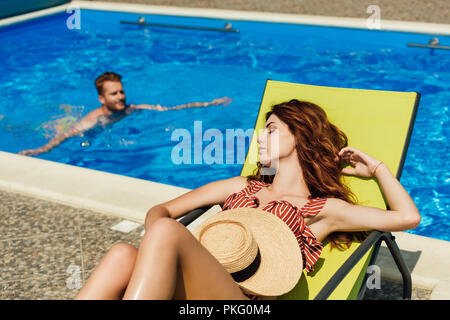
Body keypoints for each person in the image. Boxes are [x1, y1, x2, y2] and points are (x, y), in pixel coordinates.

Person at [74, 99, 421, 300]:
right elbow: (160, 211)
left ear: (300, 136)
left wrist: (377, 169)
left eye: (271, 129)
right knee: (124, 252)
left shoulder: (324, 211)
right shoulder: (244, 186)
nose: (261, 136)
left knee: (167, 232)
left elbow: (407, 218)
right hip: (195, 290)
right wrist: (157, 243)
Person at [18, 72, 232, 156]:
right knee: (30, 127)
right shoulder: (94, 120)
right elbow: (65, 135)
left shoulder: (131, 109)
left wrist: (210, 103)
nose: (121, 97)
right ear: (102, 99)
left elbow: (172, 109)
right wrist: (40, 149)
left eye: (121, 91)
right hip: (61, 126)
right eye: (114, 94)